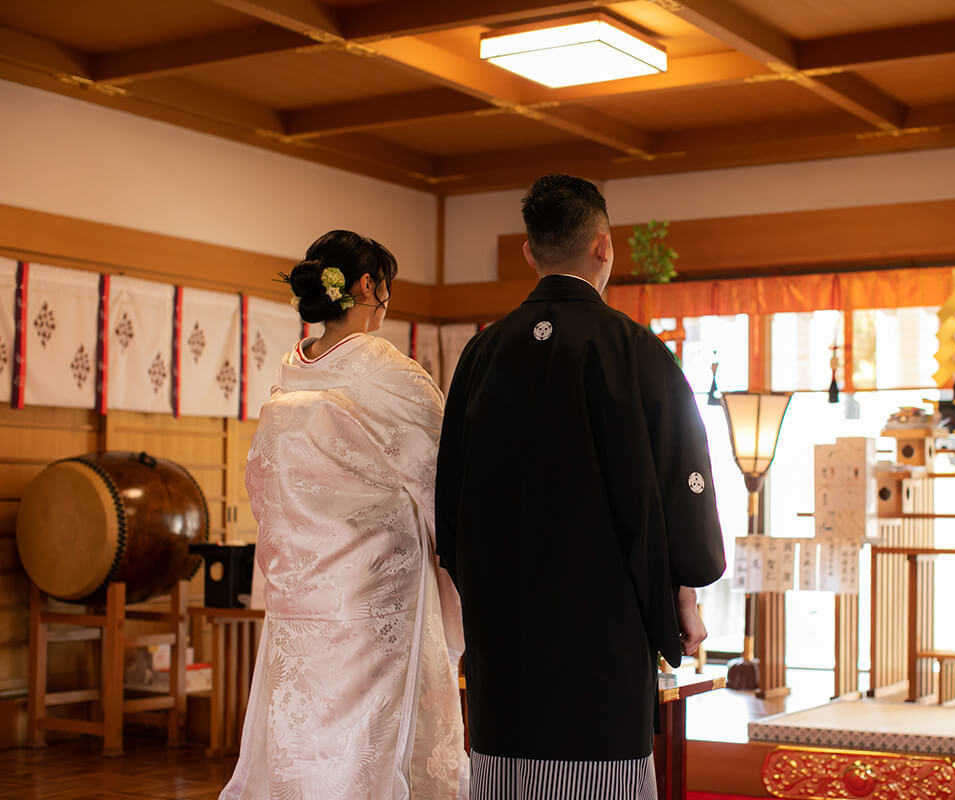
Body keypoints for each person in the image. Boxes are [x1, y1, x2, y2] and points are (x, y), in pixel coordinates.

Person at [436, 175, 726, 799]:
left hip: (506, 643)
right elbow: (684, 480)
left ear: (529, 252)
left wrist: (489, 595)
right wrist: (685, 590)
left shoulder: (482, 354)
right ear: (604, 246)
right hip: (603, 634)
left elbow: (449, 500)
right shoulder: (636, 351)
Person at [221, 230, 468, 800]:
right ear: (366, 286)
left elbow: (267, 483)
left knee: (302, 729)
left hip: (300, 592)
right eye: (385, 286)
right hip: (373, 596)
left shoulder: (293, 372)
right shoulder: (389, 373)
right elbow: (444, 478)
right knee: (367, 738)